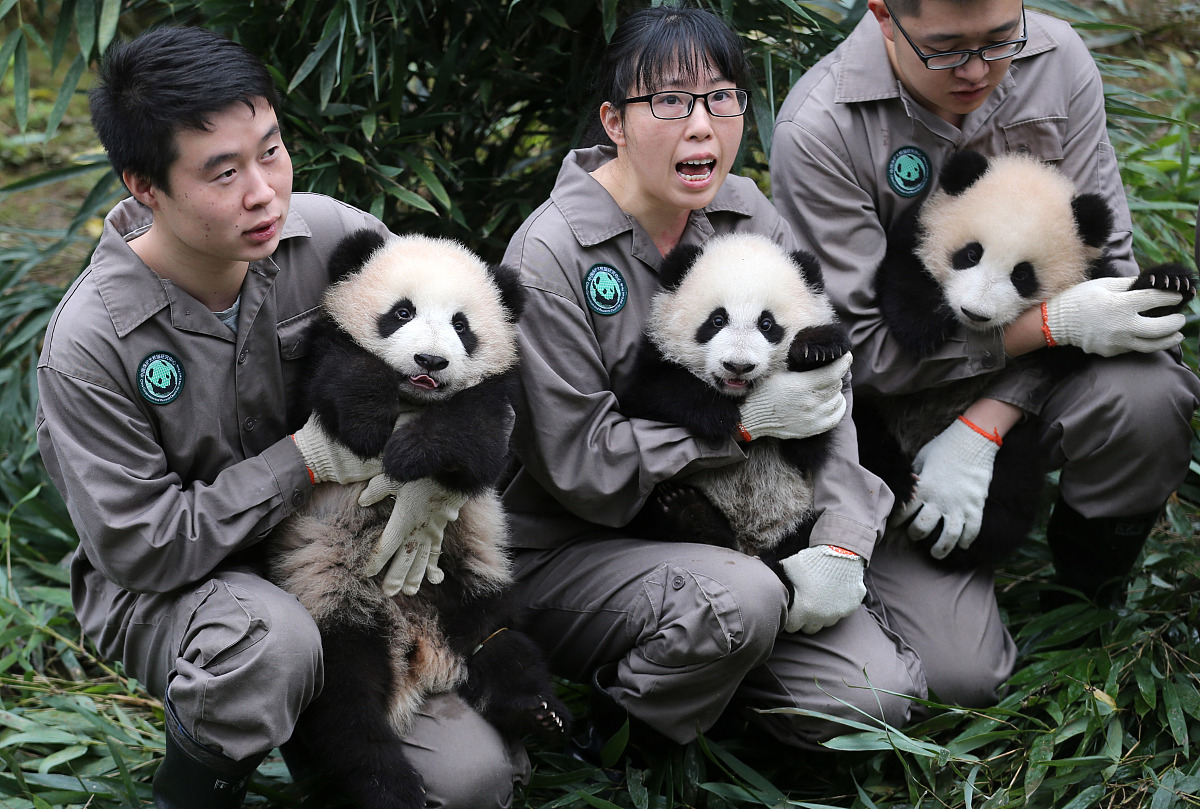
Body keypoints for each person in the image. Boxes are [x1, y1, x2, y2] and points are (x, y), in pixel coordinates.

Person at [36, 27, 526, 809]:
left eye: (270, 151)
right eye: (224, 172)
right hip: (181, 588)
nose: (264, 191)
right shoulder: (89, 344)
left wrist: (446, 477)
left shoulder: (328, 235)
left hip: (349, 570)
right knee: (271, 642)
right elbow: (143, 547)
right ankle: (195, 791)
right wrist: (303, 460)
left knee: (472, 784)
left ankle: (321, 725)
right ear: (144, 185)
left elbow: (483, 352)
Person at [501, 4, 925, 754]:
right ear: (614, 122)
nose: (701, 126)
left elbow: (827, 392)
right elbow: (583, 468)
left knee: (876, 699)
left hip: (741, 529)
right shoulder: (550, 256)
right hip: (578, 547)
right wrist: (744, 424)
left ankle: (712, 670)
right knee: (743, 600)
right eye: (670, 101)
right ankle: (627, 730)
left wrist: (841, 541)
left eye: (721, 98)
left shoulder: (746, 213)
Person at [771, 0, 1200, 705]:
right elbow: (864, 351)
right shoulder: (820, 127)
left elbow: (1109, 277)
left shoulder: (1057, 59)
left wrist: (988, 421)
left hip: (1035, 382)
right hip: (891, 414)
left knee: (1148, 393)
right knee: (961, 679)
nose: (977, 70)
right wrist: (1049, 324)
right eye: (946, 49)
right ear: (883, 14)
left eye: (1002, 40)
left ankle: (1089, 590)